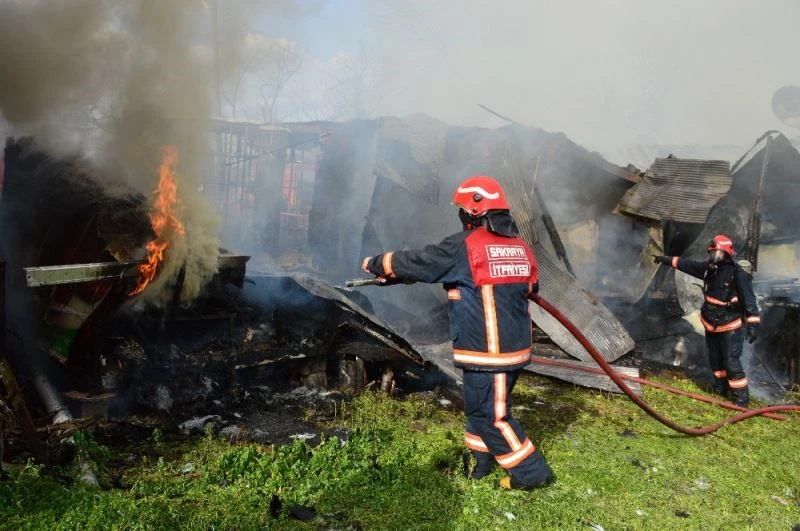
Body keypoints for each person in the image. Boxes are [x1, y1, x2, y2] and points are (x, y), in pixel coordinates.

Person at [360, 175, 553, 490]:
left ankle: (532, 474)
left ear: (476, 211)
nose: (461, 215)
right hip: (514, 350)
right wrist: (398, 278)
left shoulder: (466, 245)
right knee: (486, 408)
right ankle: (480, 464)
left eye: (463, 209)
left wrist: (380, 263)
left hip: (486, 353)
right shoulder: (520, 247)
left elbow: (423, 261)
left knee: (489, 415)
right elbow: (528, 286)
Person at [653, 234, 761, 406]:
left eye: (717, 253)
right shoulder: (709, 269)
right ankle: (721, 390)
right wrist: (665, 259)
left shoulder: (737, 273)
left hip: (730, 325)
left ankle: (740, 400)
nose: (714, 256)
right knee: (716, 361)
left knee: (731, 362)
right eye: (712, 253)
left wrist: (753, 323)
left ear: (726, 253)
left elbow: (749, 299)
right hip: (711, 324)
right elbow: (686, 265)